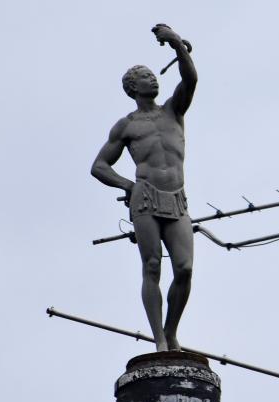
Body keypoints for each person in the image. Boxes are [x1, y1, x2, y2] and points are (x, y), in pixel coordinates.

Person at [91, 24, 197, 352]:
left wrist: (177, 43)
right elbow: (99, 166)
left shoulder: (173, 110)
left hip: (176, 199)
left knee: (184, 268)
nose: (152, 79)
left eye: (153, 74)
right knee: (152, 266)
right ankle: (160, 340)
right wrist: (127, 186)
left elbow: (191, 79)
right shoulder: (127, 125)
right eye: (144, 77)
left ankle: (172, 329)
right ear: (132, 88)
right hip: (146, 198)